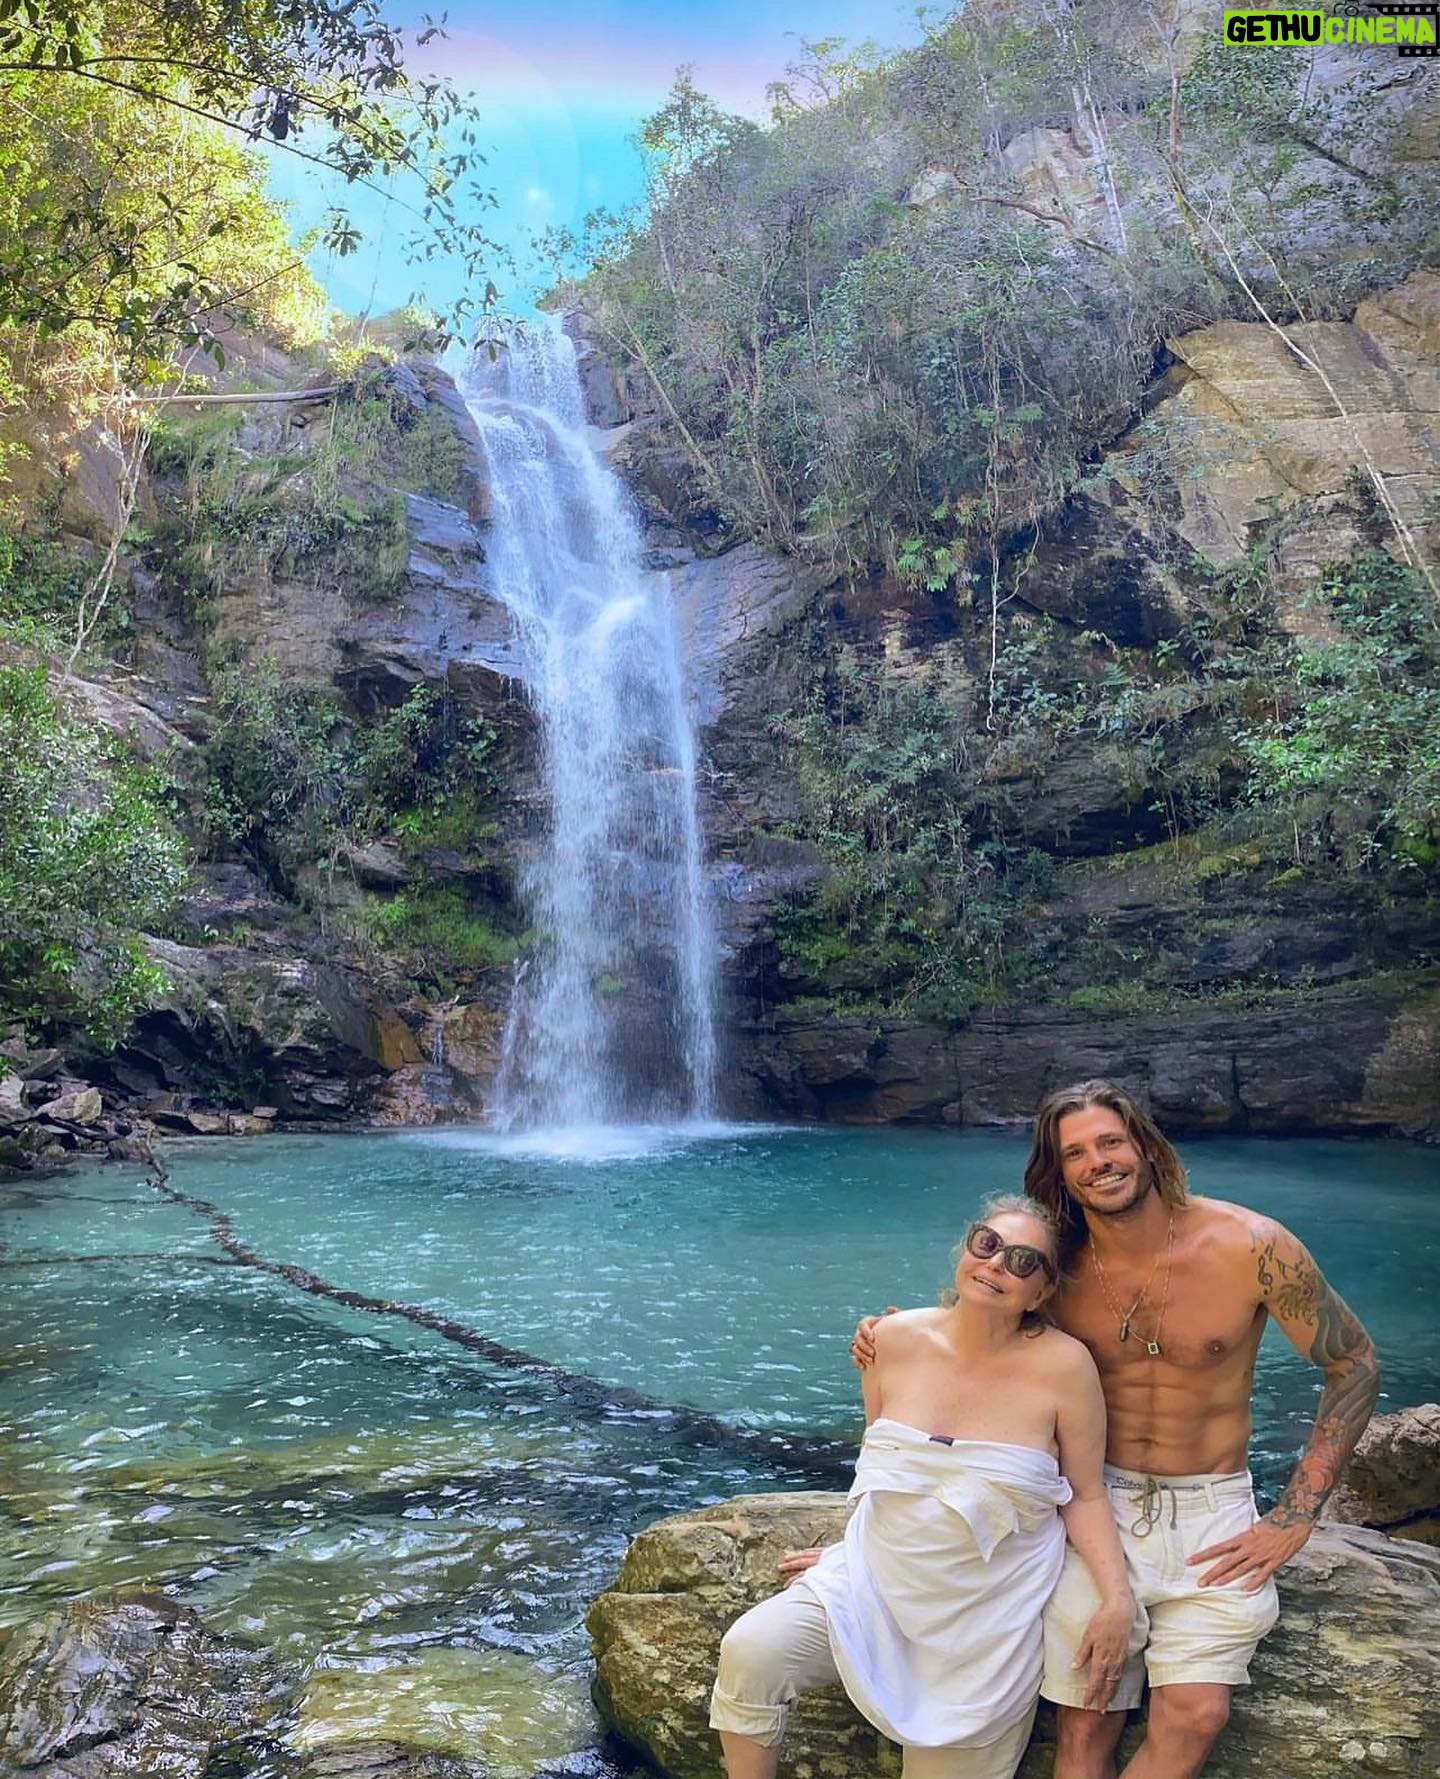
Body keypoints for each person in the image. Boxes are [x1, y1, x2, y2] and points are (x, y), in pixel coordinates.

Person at [853, 1080, 1382, 1779]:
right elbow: (976, 1326)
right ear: (1059, 1171)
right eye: (1075, 1152)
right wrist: (890, 1334)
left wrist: (1296, 1513)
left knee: (1197, 1713)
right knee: (1084, 1722)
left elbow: (1353, 1362)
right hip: (1091, 1505)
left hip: (1211, 1508)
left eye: (1110, 1142)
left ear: (1146, 1147)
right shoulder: (1054, 1269)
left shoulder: (1252, 1246)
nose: (1097, 1162)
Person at [710, 1196, 1134, 1779]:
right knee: (750, 1652)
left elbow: (1084, 1495)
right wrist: (850, 1545)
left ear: (1041, 1292)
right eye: (987, 1244)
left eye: (1022, 1261)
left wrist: (1116, 1599)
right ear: (966, 1250)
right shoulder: (891, 1338)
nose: (996, 1264)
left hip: (986, 1618)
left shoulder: (1065, 1367)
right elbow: (882, 1465)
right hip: (871, 1583)